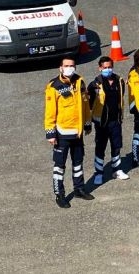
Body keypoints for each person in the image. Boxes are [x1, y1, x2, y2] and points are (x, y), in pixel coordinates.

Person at [44, 57, 94, 209]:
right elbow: (50, 112)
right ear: (61, 68)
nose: (69, 68)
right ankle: (60, 194)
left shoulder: (80, 82)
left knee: (78, 163)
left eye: (72, 65)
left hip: (77, 132)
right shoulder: (54, 86)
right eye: (66, 66)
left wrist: (87, 123)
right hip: (61, 133)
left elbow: (85, 105)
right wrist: (50, 133)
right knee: (60, 165)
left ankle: (79, 189)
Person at [87, 56, 130, 185]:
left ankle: (116, 170)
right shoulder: (94, 85)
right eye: (105, 68)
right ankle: (99, 173)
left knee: (116, 146)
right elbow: (89, 105)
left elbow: (120, 99)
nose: (107, 69)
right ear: (100, 68)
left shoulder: (120, 81)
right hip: (101, 123)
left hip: (115, 121)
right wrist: (88, 123)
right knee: (100, 148)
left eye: (110, 67)